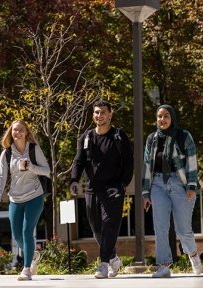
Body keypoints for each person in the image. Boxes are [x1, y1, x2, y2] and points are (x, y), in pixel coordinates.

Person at [70, 100, 133, 279]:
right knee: (96, 226)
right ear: (93, 115)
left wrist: (122, 184)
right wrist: (74, 179)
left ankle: (103, 263)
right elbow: (79, 160)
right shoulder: (86, 137)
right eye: (97, 112)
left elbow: (129, 163)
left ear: (110, 114)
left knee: (109, 225)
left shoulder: (119, 137)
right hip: (91, 188)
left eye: (103, 112)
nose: (100, 115)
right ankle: (113, 258)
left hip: (113, 188)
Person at [142, 104, 202, 278]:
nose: (162, 119)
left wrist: (191, 186)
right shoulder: (152, 138)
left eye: (166, 116)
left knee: (183, 229)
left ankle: (193, 255)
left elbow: (192, 162)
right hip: (158, 184)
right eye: (159, 116)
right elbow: (147, 165)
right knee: (160, 226)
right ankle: (164, 266)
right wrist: (146, 192)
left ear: (172, 118)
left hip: (180, 183)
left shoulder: (183, 136)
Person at [0, 120, 50, 281]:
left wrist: (31, 167)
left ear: (26, 133)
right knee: (17, 235)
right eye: (14, 130)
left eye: (20, 130)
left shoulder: (34, 149)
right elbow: (1, 176)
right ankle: (33, 255)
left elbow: (47, 171)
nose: (17, 132)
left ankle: (26, 270)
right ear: (11, 132)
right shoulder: (7, 153)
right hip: (15, 198)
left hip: (34, 196)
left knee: (26, 231)